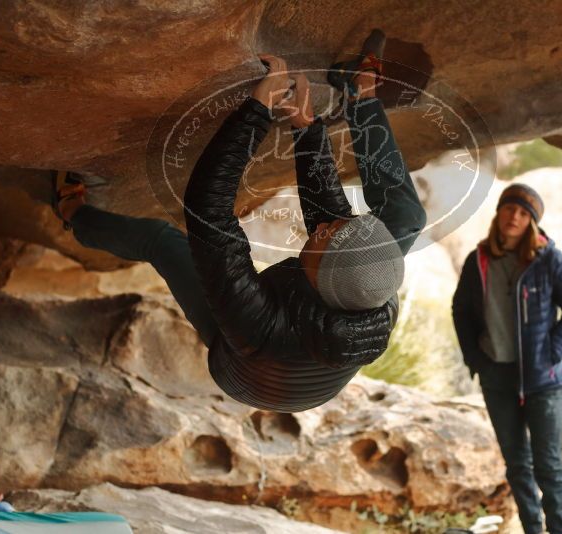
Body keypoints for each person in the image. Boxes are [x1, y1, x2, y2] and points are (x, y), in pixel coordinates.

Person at [51, 30, 426, 413]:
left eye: (326, 236)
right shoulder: (372, 282)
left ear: (316, 274)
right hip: (311, 318)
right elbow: (331, 221)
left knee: (161, 241)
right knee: (408, 219)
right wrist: (305, 128)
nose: (327, 224)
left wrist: (256, 110)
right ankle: (359, 94)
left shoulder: (256, 323)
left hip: (248, 371)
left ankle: (71, 213)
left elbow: (206, 210)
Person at [451, 184, 562, 534]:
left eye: (524, 213)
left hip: (544, 380)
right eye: (510, 209)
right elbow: (461, 310)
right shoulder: (478, 261)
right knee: (517, 464)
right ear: (499, 213)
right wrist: (475, 359)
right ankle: (532, 529)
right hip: (496, 377)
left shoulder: (549, 260)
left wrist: (550, 353)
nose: (515, 217)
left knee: (549, 466)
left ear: (531, 223)